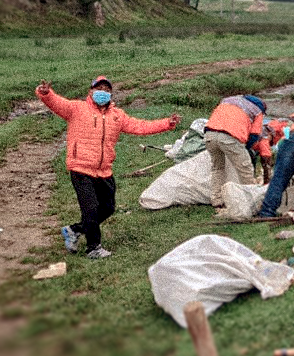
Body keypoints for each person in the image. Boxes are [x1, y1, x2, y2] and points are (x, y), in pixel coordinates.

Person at [35, 76, 180, 259]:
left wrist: (167, 123)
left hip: (104, 170)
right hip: (81, 168)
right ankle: (93, 248)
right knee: (90, 209)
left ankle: (74, 230)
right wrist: (46, 93)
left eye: (106, 89)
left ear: (111, 94)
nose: (102, 92)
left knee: (108, 208)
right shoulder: (77, 109)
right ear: (91, 91)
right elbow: (57, 103)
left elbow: (140, 126)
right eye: (99, 88)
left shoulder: (117, 116)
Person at [204, 95, 271, 207]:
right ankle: (251, 201)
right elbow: (254, 135)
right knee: (246, 169)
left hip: (209, 134)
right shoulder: (258, 111)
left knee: (217, 168)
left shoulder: (226, 100)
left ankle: (217, 200)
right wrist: (246, 148)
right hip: (230, 137)